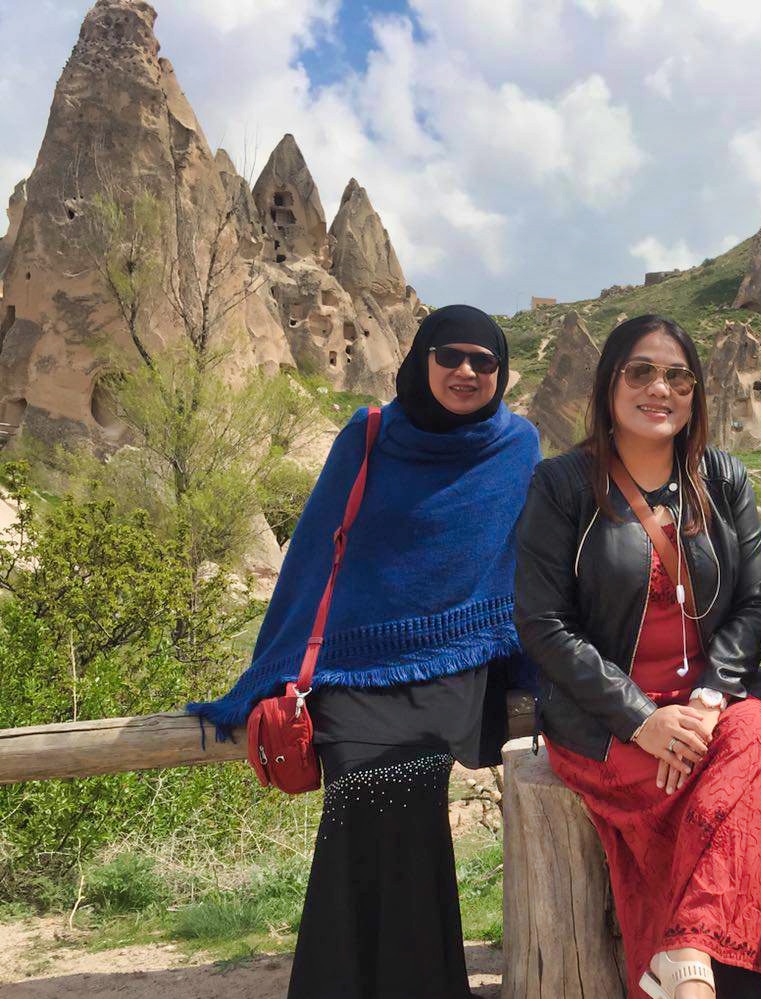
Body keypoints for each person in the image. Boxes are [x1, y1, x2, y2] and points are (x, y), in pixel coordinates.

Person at [189, 305, 539, 999]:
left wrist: (535, 665)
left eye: (484, 361)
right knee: (356, 813)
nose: (467, 371)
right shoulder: (370, 433)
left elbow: (525, 560)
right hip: (353, 668)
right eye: (452, 356)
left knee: (409, 800)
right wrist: (275, 664)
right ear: (421, 360)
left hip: (454, 662)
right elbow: (316, 549)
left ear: (500, 372)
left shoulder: (516, 444)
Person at [513, 315, 761, 999]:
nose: (661, 388)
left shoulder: (724, 478)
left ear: (696, 393)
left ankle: (685, 954)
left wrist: (709, 700)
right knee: (721, 797)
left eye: (678, 375)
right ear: (609, 383)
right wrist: (642, 718)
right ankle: (711, 967)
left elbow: (755, 603)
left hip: (710, 708)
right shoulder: (562, 486)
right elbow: (543, 623)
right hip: (609, 723)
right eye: (641, 371)